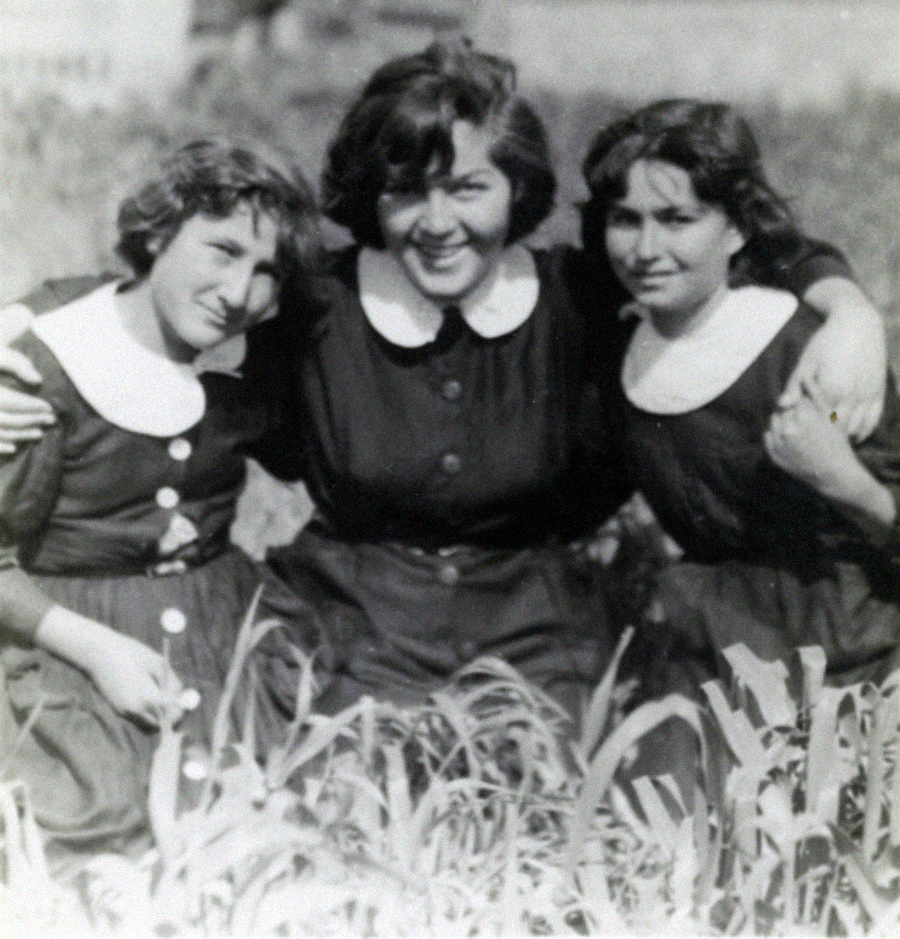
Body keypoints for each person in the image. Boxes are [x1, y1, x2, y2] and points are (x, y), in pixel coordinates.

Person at [0, 43, 888, 725]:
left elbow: (736, 252)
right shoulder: (316, 303)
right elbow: (157, 300)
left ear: (516, 187)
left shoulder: (584, 295)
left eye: (467, 188)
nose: (437, 223)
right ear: (371, 198)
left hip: (543, 627)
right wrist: (16, 328)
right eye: (406, 192)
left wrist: (849, 308)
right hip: (347, 621)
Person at [0, 139, 318, 858]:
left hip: (213, 620)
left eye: (266, 271)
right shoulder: (51, 364)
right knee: (97, 818)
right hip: (71, 630)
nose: (238, 292)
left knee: (271, 809)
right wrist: (95, 648)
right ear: (158, 233)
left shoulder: (244, 365)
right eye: (222, 251)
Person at [579, 99, 900, 701]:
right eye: (625, 220)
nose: (645, 249)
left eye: (677, 219)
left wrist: (845, 481)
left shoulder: (807, 350)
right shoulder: (623, 350)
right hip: (711, 640)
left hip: (851, 652)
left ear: (737, 228)